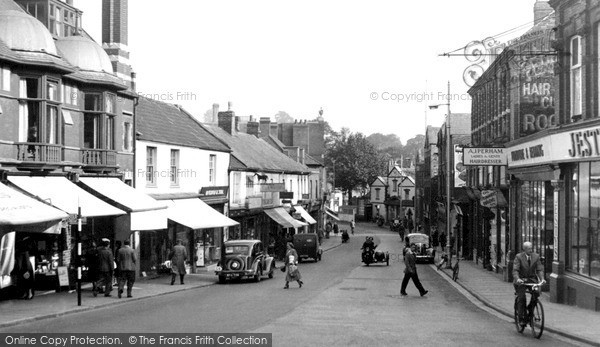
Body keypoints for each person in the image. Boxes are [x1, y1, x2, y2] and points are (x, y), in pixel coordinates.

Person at [512, 241, 544, 325]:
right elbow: (515, 270)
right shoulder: (518, 257)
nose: (531, 250)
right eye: (529, 249)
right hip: (521, 281)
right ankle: (521, 318)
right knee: (522, 298)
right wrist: (518, 279)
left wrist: (542, 279)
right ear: (524, 249)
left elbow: (539, 269)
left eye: (531, 248)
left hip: (531, 280)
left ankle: (530, 309)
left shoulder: (536, 256)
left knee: (536, 294)